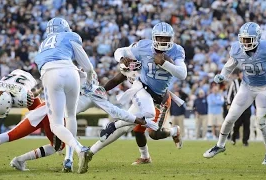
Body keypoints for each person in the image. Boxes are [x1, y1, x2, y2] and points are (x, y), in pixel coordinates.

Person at [80, 22, 187, 170]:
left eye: (165, 38)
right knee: (131, 128)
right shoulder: (139, 53)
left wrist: (164, 63)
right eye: (160, 38)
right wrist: (121, 61)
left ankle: (174, 131)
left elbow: (182, 74)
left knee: (154, 134)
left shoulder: (176, 51)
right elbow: (118, 71)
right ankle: (92, 152)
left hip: (159, 100)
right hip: (142, 94)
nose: (162, 41)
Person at [2, 70, 154, 172]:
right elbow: (115, 111)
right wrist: (137, 119)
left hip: (47, 111)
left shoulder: (84, 84)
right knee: (13, 135)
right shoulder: (89, 87)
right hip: (49, 114)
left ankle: (20, 160)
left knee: (52, 142)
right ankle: (65, 160)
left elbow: (51, 81)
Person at [203, 22, 266, 165]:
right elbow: (230, 65)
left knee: (261, 123)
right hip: (246, 87)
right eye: (243, 39)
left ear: (258, 38)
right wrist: (223, 75)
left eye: (249, 39)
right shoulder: (236, 48)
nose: (245, 42)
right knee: (229, 118)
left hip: (264, 88)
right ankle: (220, 145)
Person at [34, 17, 97, 174]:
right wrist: (89, 82)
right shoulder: (70, 36)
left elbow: (44, 70)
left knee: (56, 124)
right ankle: (68, 159)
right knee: (71, 116)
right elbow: (88, 68)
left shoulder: (42, 46)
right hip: (72, 72)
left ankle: (79, 148)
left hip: (51, 74)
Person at [228, 70, 251, 146]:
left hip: (247, 107)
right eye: (242, 74)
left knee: (246, 124)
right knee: (237, 124)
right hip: (237, 107)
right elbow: (230, 94)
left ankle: (245, 141)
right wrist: (228, 104)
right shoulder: (234, 82)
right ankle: (233, 138)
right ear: (239, 74)